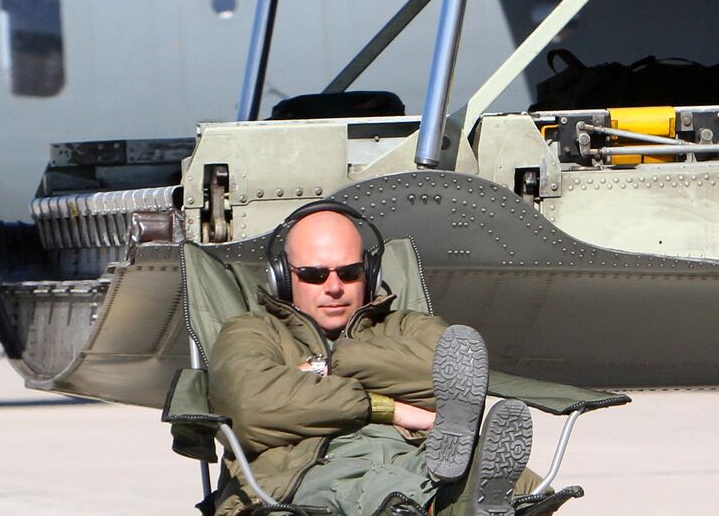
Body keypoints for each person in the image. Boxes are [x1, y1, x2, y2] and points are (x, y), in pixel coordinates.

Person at [209, 203, 537, 516]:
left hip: (415, 456)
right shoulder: (252, 332)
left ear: (370, 273)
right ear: (283, 276)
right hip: (300, 473)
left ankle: (460, 501)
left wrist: (331, 363)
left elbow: (458, 375)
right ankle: (442, 507)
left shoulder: (406, 325)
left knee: (508, 481)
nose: (334, 287)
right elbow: (248, 410)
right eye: (314, 275)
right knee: (368, 482)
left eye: (349, 272)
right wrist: (389, 408)